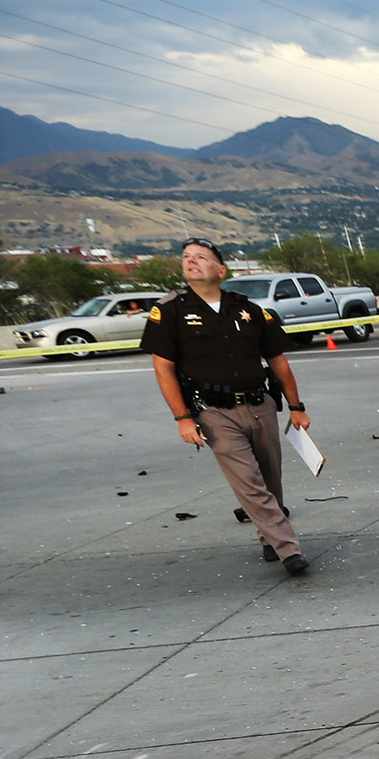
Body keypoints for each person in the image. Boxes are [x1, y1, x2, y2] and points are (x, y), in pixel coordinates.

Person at [143, 239, 314, 575]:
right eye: (186, 258)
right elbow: (163, 367)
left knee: (269, 478)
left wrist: (296, 406)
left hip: (259, 403)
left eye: (201, 258)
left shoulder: (248, 310)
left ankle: (268, 537)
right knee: (248, 481)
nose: (191, 262)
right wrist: (182, 418)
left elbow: (277, 360)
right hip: (213, 412)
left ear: (220, 271)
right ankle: (287, 548)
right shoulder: (170, 311)